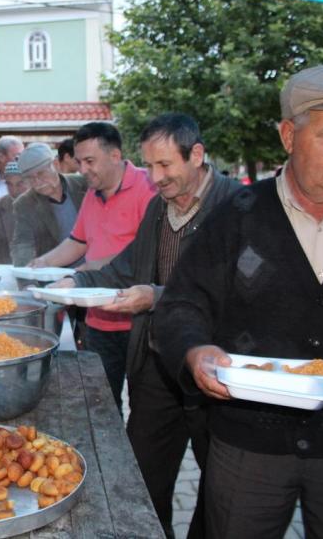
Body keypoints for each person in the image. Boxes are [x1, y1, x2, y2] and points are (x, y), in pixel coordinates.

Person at [155, 64, 323, 538]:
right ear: (289, 135)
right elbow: (181, 305)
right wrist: (195, 352)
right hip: (249, 444)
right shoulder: (236, 217)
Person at [51, 114, 242, 538]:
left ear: (196, 155)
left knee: (222, 488)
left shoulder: (235, 206)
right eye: (150, 166)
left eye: (165, 166)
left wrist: (155, 296)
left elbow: (233, 288)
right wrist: (78, 280)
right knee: (145, 477)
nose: (155, 178)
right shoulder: (159, 206)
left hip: (215, 374)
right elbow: (127, 267)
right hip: (156, 364)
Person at [31, 123, 156, 410]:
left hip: (138, 320)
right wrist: (42, 263)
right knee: (101, 404)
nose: (83, 169)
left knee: (145, 409)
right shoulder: (92, 193)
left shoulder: (147, 189)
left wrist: (86, 271)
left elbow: (140, 254)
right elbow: (78, 242)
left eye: (90, 161)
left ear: (115, 156)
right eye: (79, 162)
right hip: (98, 321)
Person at [10, 142, 87, 267]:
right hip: (55, 277)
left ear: (56, 164)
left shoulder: (84, 185)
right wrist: (28, 281)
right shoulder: (25, 204)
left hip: (96, 271)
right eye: (30, 178)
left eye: (41, 174)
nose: (38, 182)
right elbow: (22, 245)